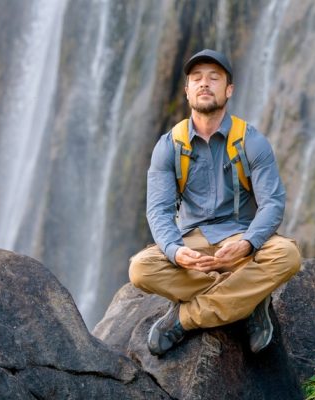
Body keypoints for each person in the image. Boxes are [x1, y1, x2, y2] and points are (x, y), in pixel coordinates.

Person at [129, 49, 301, 356]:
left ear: (229, 90)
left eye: (214, 78)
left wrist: (248, 244)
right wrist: (176, 251)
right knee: (140, 269)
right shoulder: (168, 146)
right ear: (187, 91)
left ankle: (184, 319)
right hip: (193, 241)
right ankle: (249, 299)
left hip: (239, 243)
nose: (204, 84)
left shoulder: (252, 140)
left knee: (287, 255)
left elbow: (273, 203)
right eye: (197, 79)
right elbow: (159, 210)